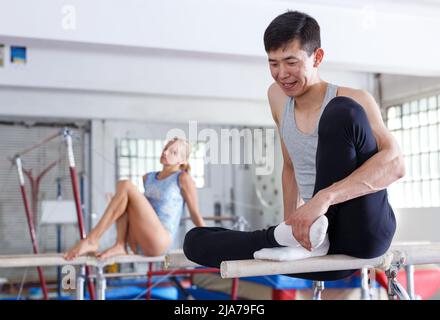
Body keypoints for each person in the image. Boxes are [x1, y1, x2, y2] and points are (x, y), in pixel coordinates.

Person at [183, 11, 405, 280]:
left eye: (291, 62)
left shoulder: (354, 98)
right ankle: (296, 237)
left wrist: (322, 200)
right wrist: (293, 227)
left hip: (363, 231)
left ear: (317, 57)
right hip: (319, 238)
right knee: (194, 241)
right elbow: (290, 167)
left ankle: (311, 230)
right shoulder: (276, 97)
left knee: (340, 111)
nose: (281, 74)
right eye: (273, 63)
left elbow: (396, 165)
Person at [64, 137, 205, 260]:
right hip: (137, 241)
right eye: (166, 148)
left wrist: (211, 242)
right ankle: (120, 245)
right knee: (122, 197)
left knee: (125, 185)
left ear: (183, 160)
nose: (165, 152)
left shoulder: (183, 178)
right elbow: (141, 212)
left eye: (173, 152)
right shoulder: (148, 177)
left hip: (160, 241)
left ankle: (92, 240)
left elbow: (195, 214)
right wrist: (116, 202)